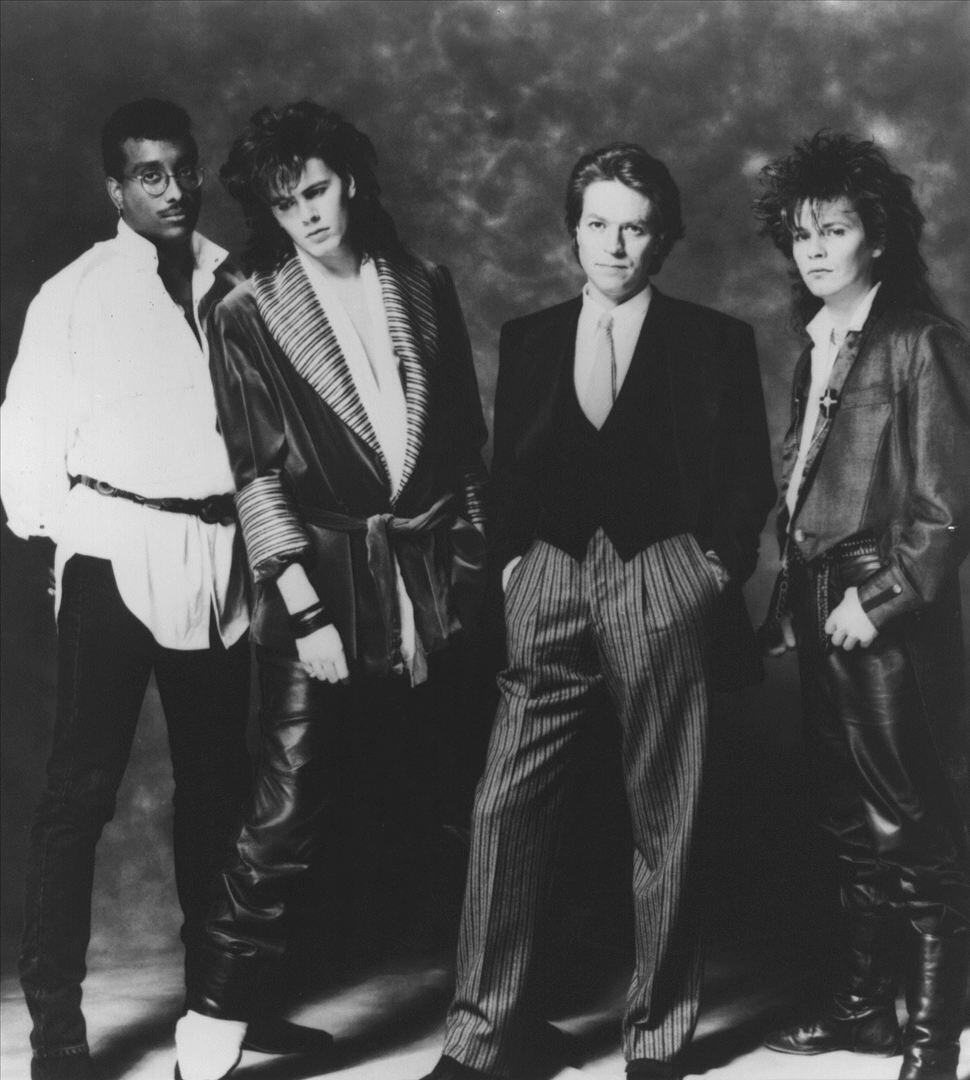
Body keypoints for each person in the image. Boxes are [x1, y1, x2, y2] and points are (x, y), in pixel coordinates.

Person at [418, 143, 775, 1080]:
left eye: (636, 227)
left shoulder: (714, 340)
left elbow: (748, 480)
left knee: (668, 812)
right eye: (598, 224)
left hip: (663, 575)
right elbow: (509, 471)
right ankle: (479, 1038)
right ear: (574, 232)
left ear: (663, 239)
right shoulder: (529, 337)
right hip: (549, 577)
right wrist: (512, 569)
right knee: (503, 807)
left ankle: (656, 1041)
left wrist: (709, 569)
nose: (615, 244)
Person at [171, 100, 489, 1080]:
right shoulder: (244, 306)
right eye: (285, 203)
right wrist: (303, 607)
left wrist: (473, 567)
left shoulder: (422, 283)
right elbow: (255, 475)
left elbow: (463, 449)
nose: (306, 215)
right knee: (286, 808)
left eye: (316, 191)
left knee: (469, 799)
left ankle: (495, 1011)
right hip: (318, 582)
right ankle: (210, 1029)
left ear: (348, 180)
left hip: (431, 583)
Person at [0, 99, 254, 1080]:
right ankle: (56, 1031)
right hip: (113, 549)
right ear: (117, 189)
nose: (175, 190)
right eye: (151, 174)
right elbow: (27, 451)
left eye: (184, 169)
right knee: (79, 795)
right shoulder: (73, 295)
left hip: (218, 554)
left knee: (218, 789)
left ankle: (215, 1013)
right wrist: (80, 541)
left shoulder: (237, 283)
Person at [754, 132, 970, 1080]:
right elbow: (808, 488)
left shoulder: (921, 342)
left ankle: (932, 1045)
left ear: (875, 237)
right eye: (802, 234)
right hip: (818, 603)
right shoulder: (819, 347)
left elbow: (944, 509)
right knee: (847, 823)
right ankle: (861, 1013)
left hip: (881, 616)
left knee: (911, 828)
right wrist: (789, 604)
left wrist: (877, 601)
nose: (814, 250)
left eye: (834, 231)